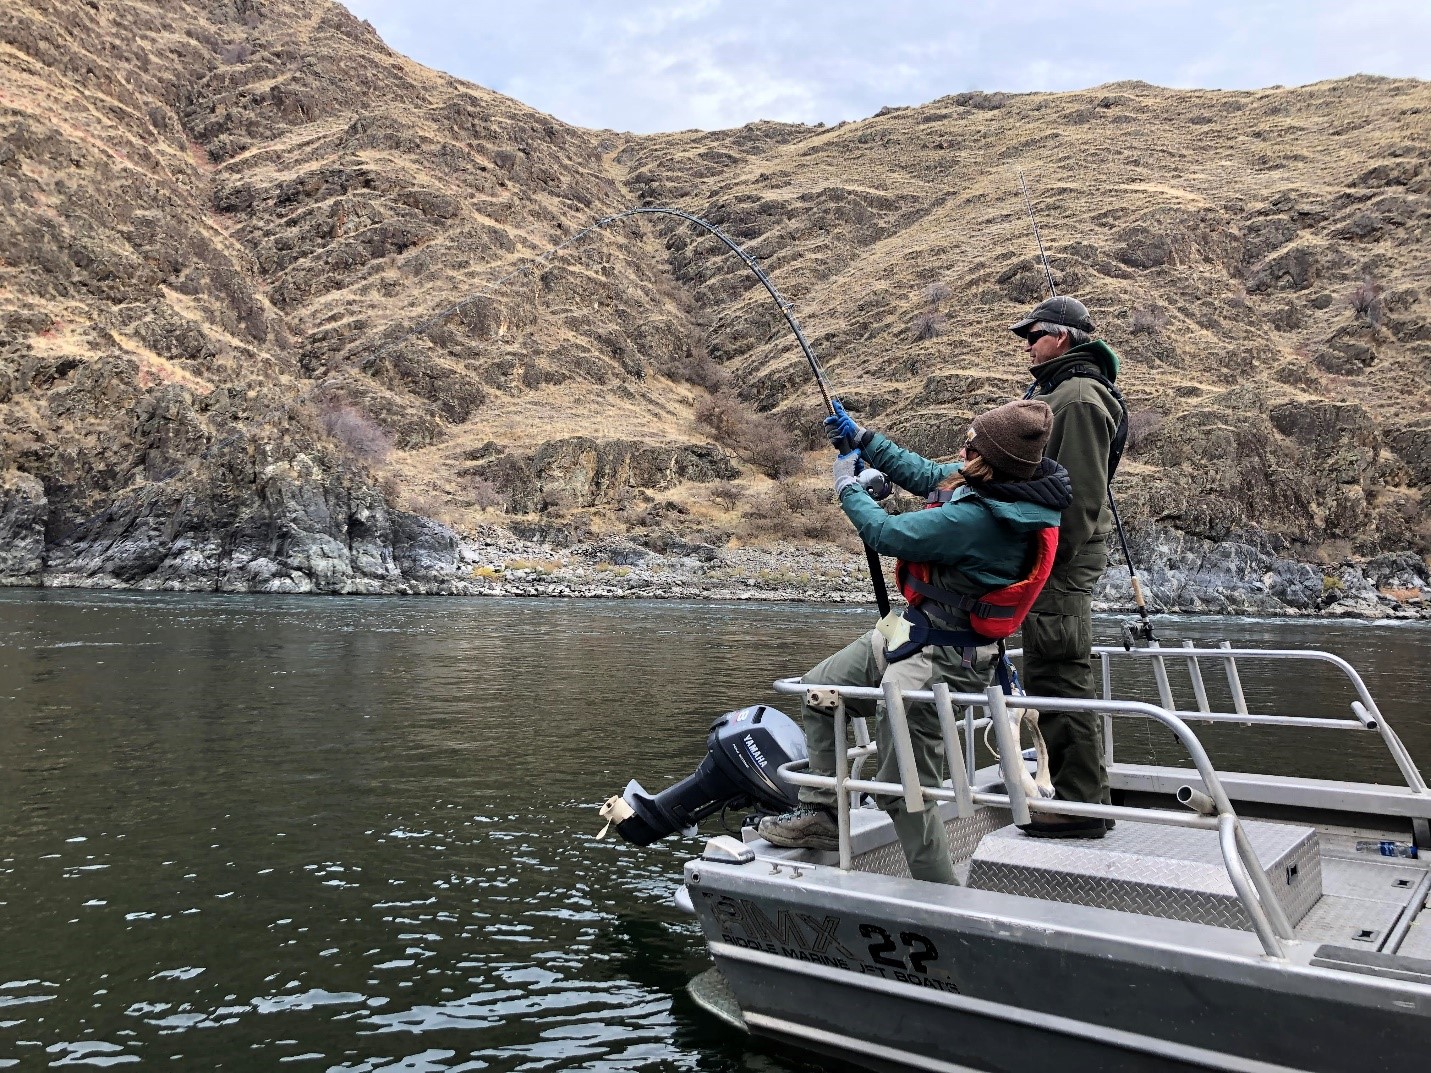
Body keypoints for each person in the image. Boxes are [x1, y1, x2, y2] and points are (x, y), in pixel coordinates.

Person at [756, 399, 1072, 882]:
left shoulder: (980, 521)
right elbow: (926, 474)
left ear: (992, 456)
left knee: (905, 790)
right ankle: (820, 814)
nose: (964, 445)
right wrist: (863, 440)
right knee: (821, 690)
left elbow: (887, 531)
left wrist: (846, 485)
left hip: (944, 656)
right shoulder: (998, 481)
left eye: (973, 440)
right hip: (914, 628)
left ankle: (941, 893)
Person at [1008, 295, 1127, 838]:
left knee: (1059, 673)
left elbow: (1077, 499)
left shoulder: (1077, 398)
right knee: (1050, 672)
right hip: (1058, 559)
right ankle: (1079, 794)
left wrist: (1042, 560)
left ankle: (1080, 806)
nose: (1027, 346)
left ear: (1060, 338)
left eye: (1033, 335)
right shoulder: (1071, 392)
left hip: (1061, 563)